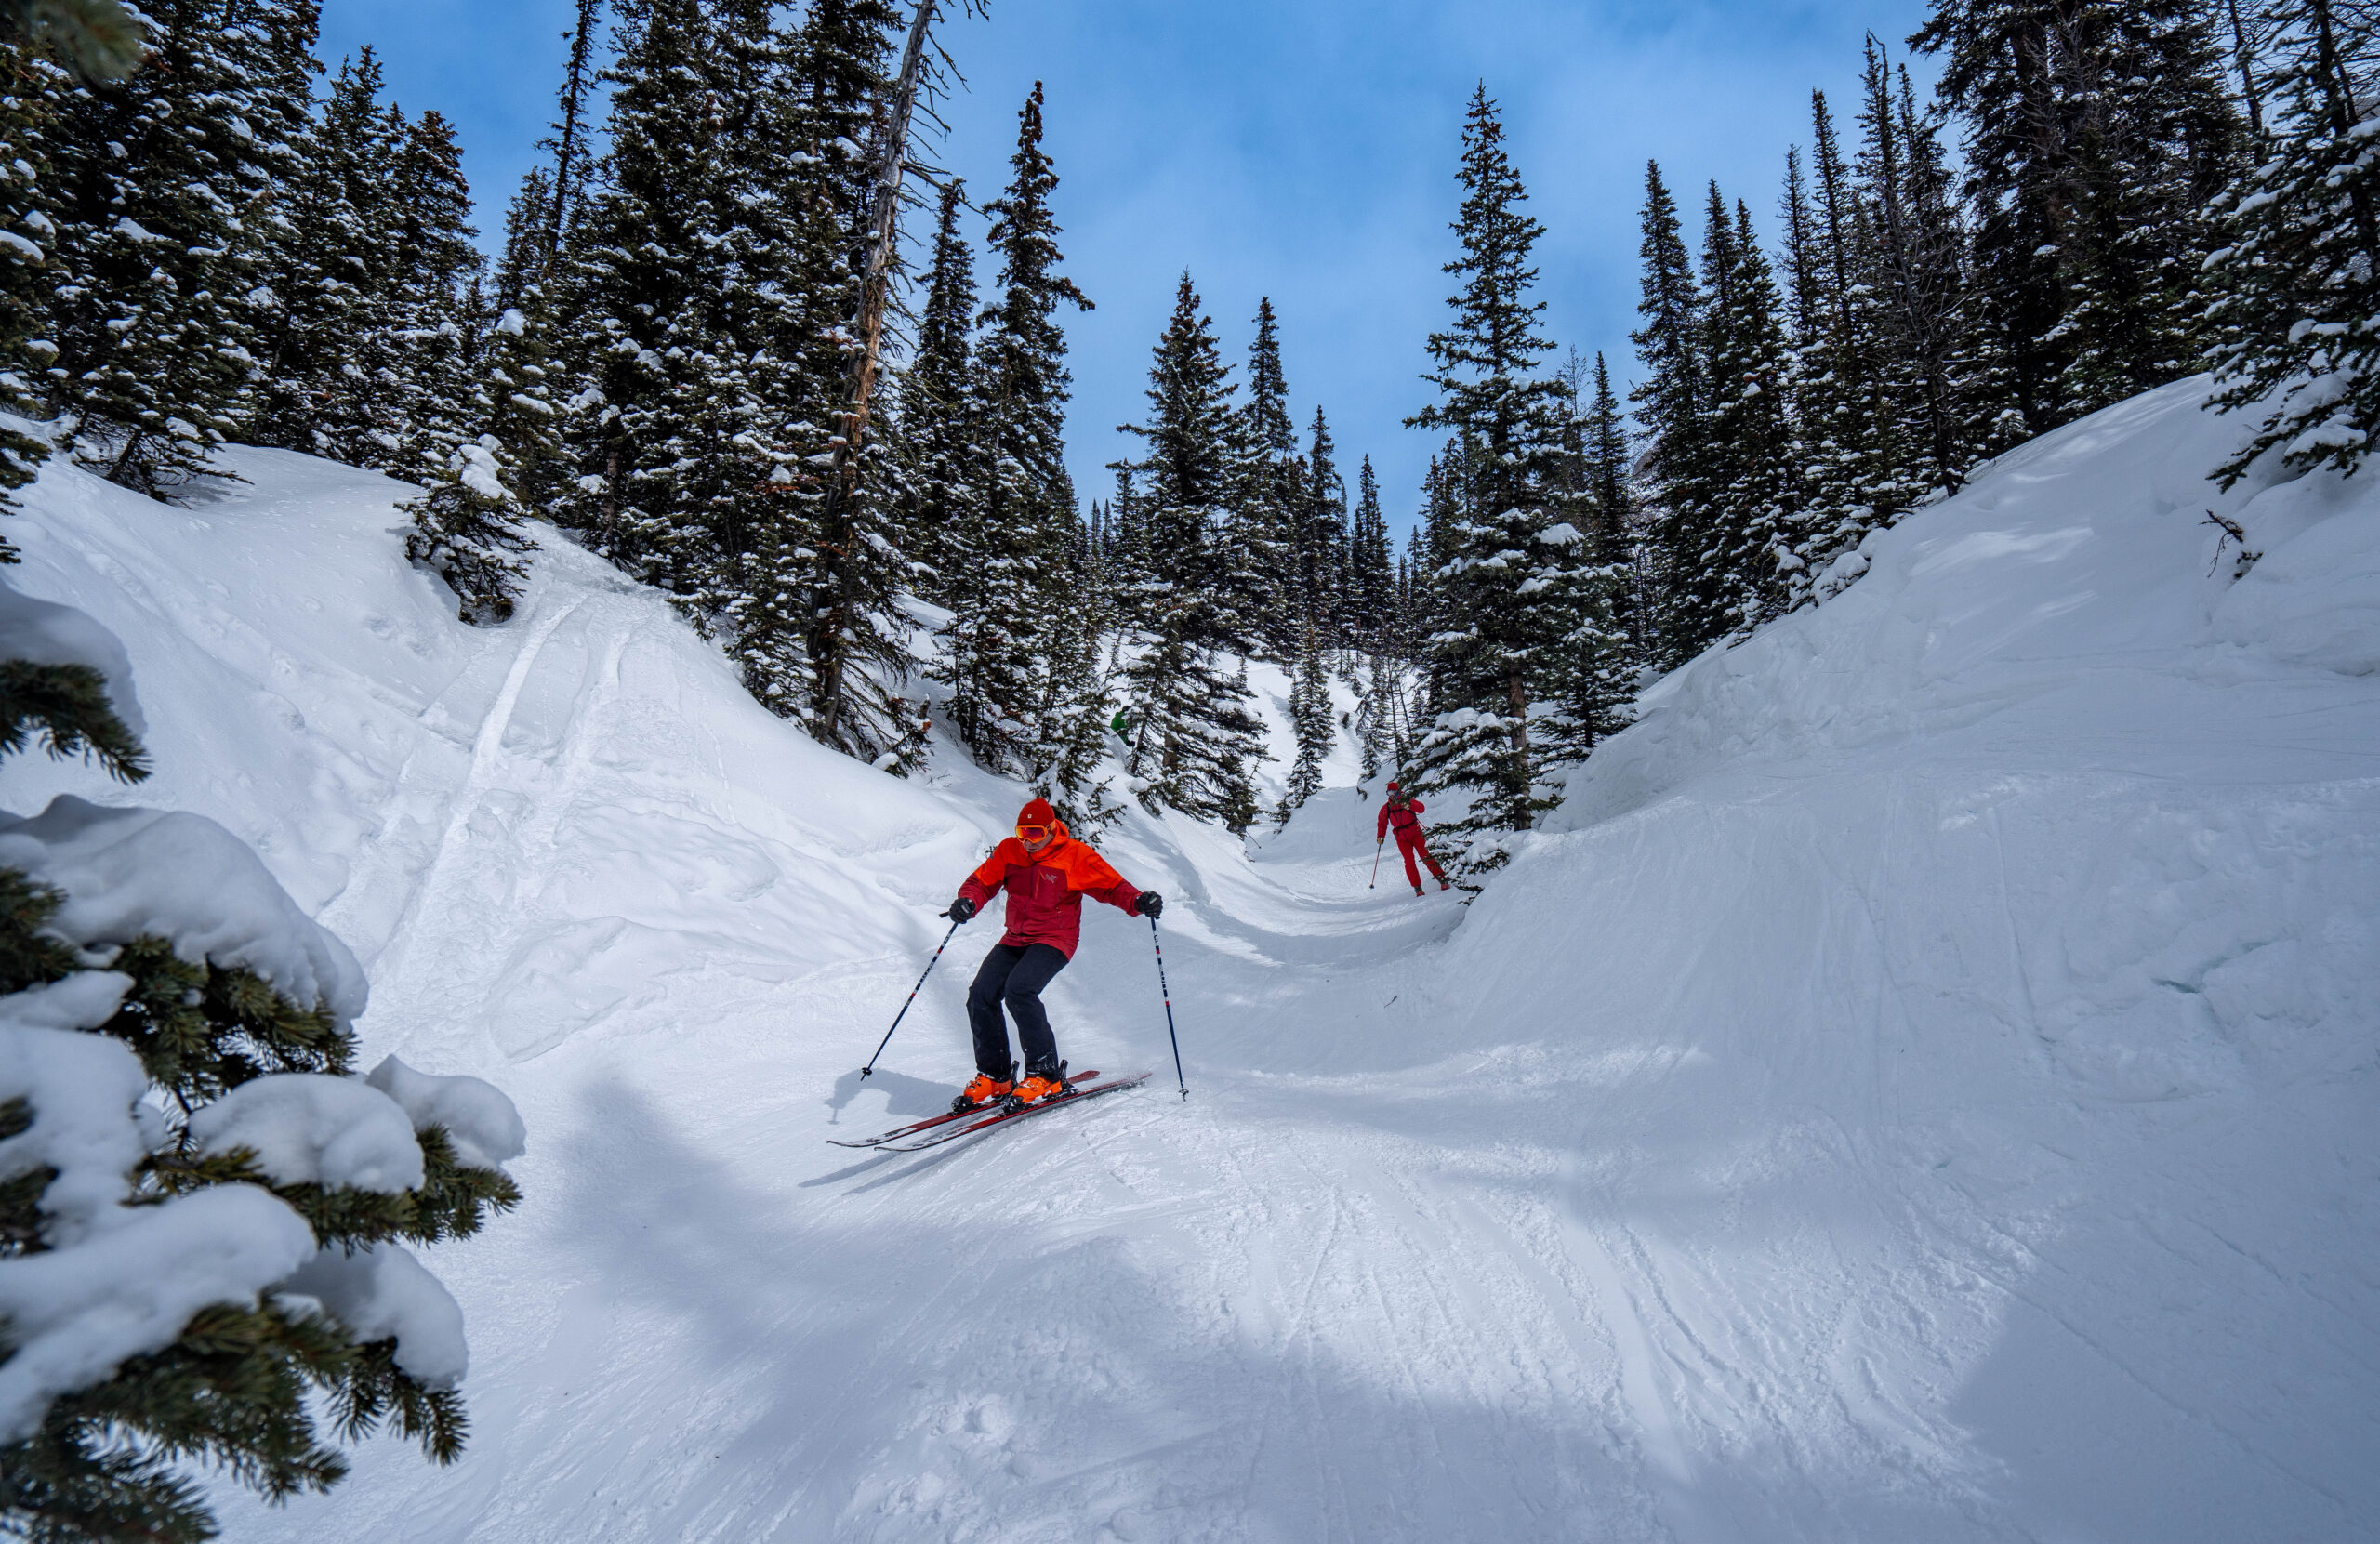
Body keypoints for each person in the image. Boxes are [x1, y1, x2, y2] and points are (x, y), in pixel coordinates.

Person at [945, 798, 1162, 1111]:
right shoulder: (1010, 851)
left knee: (1019, 991)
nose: (1027, 841)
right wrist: (968, 901)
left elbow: (1113, 887)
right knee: (981, 993)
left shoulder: (1074, 856)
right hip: (1015, 937)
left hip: (1055, 939)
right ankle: (996, 1076)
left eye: (1034, 833)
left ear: (1050, 829)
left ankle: (1045, 1074)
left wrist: (1139, 901)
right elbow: (981, 882)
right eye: (1022, 832)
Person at [1376, 781, 1451, 896]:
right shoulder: (1386, 808)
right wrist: (1380, 836)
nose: (1391, 794)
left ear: (1398, 791)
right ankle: (1417, 888)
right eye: (1389, 792)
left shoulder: (1406, 800)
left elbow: (1421, 808)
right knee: (1409, 861)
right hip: (1401, 837)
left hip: (1415, 833)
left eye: (1393, 791)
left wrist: (1410, 805)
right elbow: (1382, 822)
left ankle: (1442, 879)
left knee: (1425, 856)